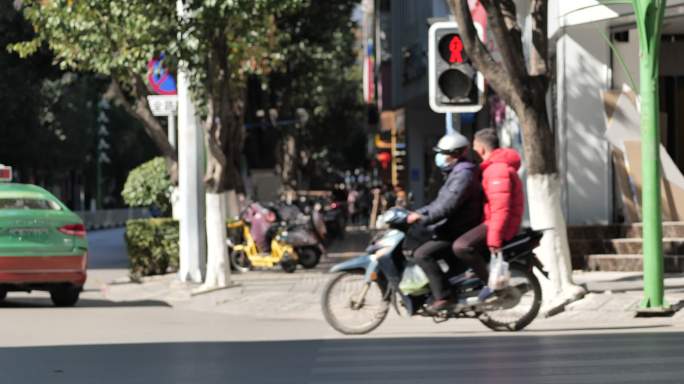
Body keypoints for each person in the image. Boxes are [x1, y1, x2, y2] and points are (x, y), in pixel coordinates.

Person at [406, 132, 483, 312]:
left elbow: (447, 207)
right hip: (452, 226)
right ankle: (450, 290)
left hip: (459, 228)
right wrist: (418, 212)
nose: (440, 157)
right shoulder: (455, 173)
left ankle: (444, 296)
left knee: (422, 254)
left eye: (444, 153)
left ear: (455, 154)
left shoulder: (463, 175)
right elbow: (439, 203)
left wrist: (424, 219)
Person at [455, 128, 525, 303]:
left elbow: (501, 208)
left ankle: (491, 285)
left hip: (498, 225)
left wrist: (495, 239)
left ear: (481, 149)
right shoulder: (492, 168)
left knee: (461, 246)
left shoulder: (497, 170)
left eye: (474, 147)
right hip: (492, 222)